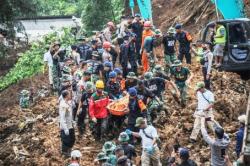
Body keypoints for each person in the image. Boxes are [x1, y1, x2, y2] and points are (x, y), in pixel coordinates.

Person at [59, 90, 75, 156]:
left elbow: (69, 115)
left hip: (70, 124)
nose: (70, 95)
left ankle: (69, 149)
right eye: (69, 94)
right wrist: (65, 128)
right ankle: (65, 152)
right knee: (66, 140)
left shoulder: (67, 103)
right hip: (65, 126)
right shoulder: (63, 105)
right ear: (66, 96)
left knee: (72, 138)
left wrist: (73, 122)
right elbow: (62, 118)